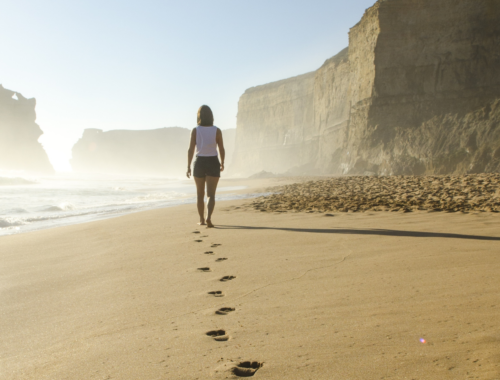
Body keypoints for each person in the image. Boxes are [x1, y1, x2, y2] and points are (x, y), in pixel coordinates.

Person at [186, 105, 225, 228]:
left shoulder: (195, 130)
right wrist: (222, 162)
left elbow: (190, 150)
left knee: (200, 194)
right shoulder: (217, 130)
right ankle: (209, 217)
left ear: (199, 116)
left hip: (199, 162)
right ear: (211, 116)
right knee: (211, 195)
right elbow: (221, 148)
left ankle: (202, 219)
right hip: (213, 161)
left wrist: (188, 166)